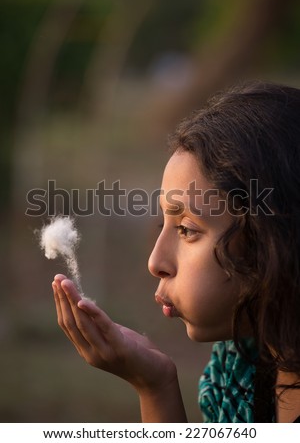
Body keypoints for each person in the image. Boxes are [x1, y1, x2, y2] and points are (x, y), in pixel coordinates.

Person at [52, 81, 300, 423]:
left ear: (273, 238)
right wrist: (154, 386)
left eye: (187, 230)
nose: (156, 262)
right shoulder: (234, 370)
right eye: (163, 226)